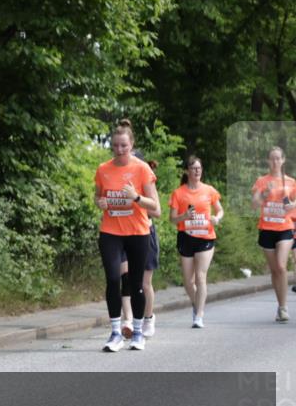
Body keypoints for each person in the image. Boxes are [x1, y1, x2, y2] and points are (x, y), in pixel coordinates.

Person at [94, 120, 161, 351]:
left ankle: (139, 333)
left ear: (131, 145)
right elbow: (98, 197)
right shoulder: (103, 169)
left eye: (124, 145)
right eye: (115, 145)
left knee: (136, 284)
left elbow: (156, 208)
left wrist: (135, 197)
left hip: (138, 232)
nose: (119, 150)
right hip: (111, 232)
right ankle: (115, 333)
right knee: (113, 280)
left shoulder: (142, 169)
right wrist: (100, 202)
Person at [169, 156, 223, 328]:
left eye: (199, 168)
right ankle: (197, 304)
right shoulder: (179, 193)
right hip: (186, 237)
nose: (197, 171)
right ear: (187, 171)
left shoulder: (209, 190)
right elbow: (172, 219)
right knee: (187, 281)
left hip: (205, 237)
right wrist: (184, 216)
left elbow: (220, 210)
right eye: (193, 168)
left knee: (201, 277)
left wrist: (217, 218)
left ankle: (199, 315)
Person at [251, 146, 296, 323]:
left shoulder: (291, 182)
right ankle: (279, 305)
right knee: (274, 269)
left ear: (283, 160)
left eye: (278, 158)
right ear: (268, 161)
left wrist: (293, 206)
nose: (275, 161)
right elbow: (254, 205)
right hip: (267, 229)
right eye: (272, 158)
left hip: (284, 228)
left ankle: (284, 308)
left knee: (281, 265)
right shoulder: (262, 180)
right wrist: (264, 193)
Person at [119, 154, 160, 339]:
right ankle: (127, 321)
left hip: (145, 234)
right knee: (126, 279)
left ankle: (148, 318)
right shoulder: (118, 181)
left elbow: (157, 211)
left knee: (144, 283)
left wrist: (137, 198)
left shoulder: (146, 184)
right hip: (122, 233)